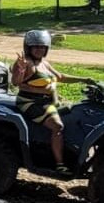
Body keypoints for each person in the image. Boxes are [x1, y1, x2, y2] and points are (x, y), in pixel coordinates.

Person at [11, 29, 94, 173]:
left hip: (47, 103)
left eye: (42, 47)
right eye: (35, 47)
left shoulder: (44, 63)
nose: (39, 50)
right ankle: (60, 164)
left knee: (74, 114)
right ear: (28, 47)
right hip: (30, 103)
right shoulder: (27, 63)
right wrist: (20, 69)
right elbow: (16, 82)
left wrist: (84, 79)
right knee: (57, 126)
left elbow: (60, 76)